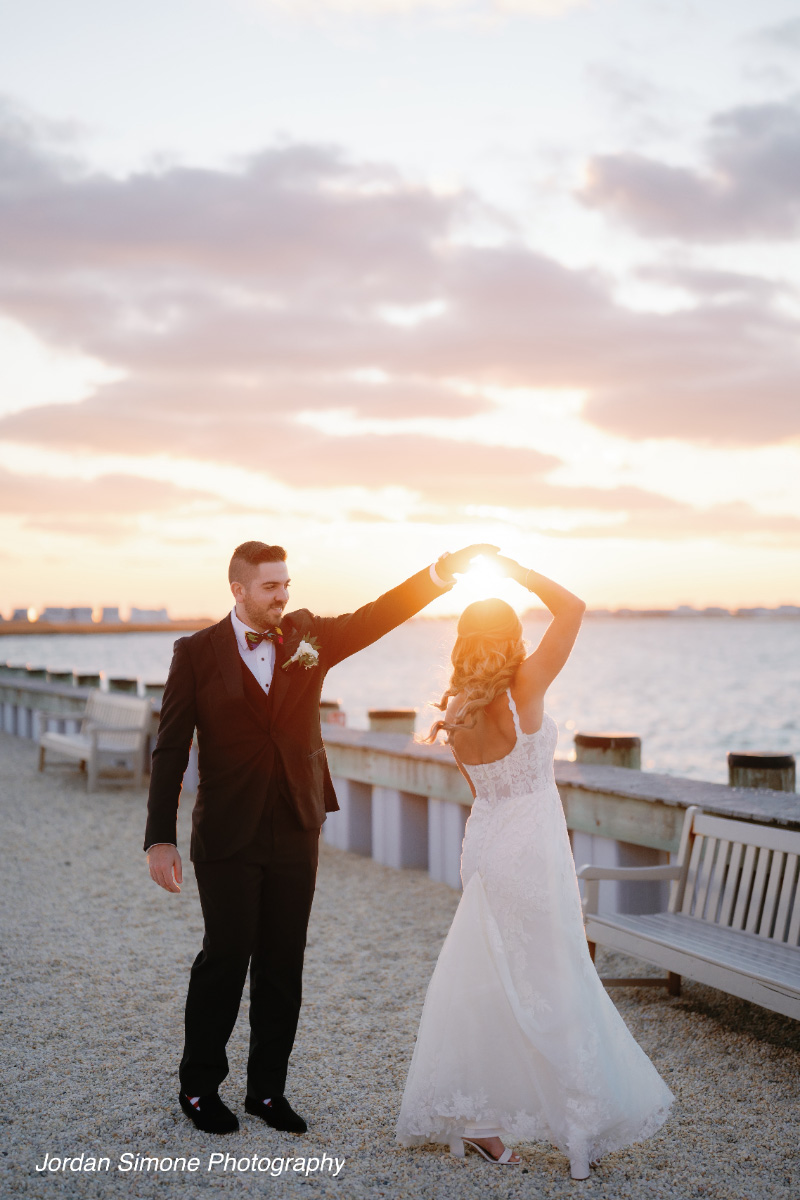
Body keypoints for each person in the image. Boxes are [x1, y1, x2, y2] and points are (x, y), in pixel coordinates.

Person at [145, 539, 497, 1136]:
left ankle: (267, 1091)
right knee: (225, 958)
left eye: (286, 584)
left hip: (297, 824)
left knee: (283, 962)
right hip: (227, 831)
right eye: (270, 587)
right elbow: (172, 746)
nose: (282, 596)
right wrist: (160, 837)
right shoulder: (196, 652)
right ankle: (199, 1088)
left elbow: (377, 616)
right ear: (238, 589)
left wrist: (439, 573)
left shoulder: (309, 635)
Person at [396, 555, 674, 1179]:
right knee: (557, 981)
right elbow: (573, 608)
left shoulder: (457, 710)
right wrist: (515, 569)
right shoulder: (524, 686)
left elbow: (481, 793)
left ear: (463, 644)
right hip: (532, 849)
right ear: (512, 638)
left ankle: (480, 1125)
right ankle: (578, 1129)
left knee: (491, 983)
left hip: (485, 847)